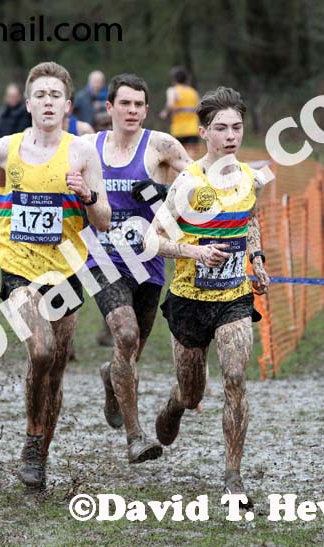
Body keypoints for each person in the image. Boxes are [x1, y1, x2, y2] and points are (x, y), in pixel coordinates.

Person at [0, 62, 110, 489]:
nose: (48, 102)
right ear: (28, 104)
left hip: (66, 268)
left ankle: (40, 457)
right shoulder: (3, 149)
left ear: (68, 106)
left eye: (55, 96)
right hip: (18, 266)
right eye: (40, 95)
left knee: (56, 369)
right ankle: (31, 438)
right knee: (42, 351)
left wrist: (88, 195)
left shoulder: (82, 153)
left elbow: (103, 220)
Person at [147, 86, 269, 506]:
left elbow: (250, 220)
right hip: (189, 300)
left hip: (233, 298)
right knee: (193, 392)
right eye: (221, 128)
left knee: (234, 378)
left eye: (236, 127)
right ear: (203, 132)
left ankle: (233, 477)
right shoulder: (187, 182)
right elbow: (151, 240)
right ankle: (175, 405)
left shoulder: (250, 177)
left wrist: (257, 258)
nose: (230, 135)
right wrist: (195, 252)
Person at [80, 73, 193, 463]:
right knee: (125, 335)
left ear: (147, 110)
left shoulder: (162, 145)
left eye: (138, 105)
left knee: (131, 351)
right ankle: (135, 437)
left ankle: (110, 376)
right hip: (101, 258)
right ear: (109, 107)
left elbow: (198, 185)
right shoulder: (88, 146)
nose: (131, 110)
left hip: (148, 262)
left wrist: (162, 192)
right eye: (124, 103)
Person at [159, 66, 200, 146]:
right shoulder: (193, 92)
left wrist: (165, 112)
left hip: (178, 130)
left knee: (178, 153)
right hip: (193, 129)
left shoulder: (173, 90)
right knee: (192, 153)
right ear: (186, 79)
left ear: (173, 79)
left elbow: (170, 103)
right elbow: (200, 107)